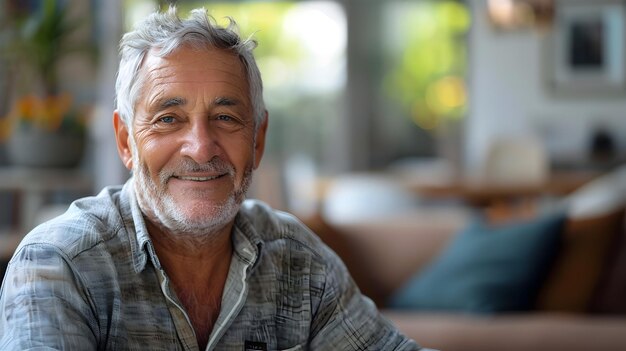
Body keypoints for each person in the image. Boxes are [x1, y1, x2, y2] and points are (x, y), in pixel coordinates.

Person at [0, 7, 425, 350]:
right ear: (126, 141)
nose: (201, 148)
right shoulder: (59, 264)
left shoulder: (299, 262)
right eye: (169, 119)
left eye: (226, 117)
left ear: (257, 140)